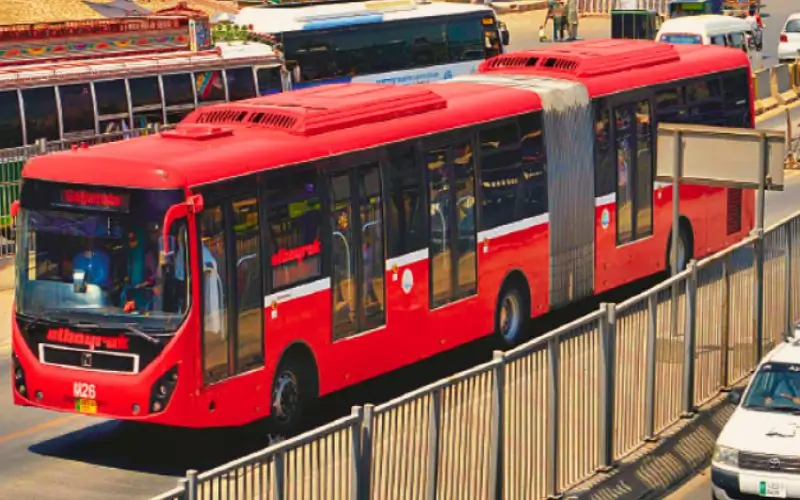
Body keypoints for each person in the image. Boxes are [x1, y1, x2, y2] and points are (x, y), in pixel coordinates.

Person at [121, 227, 157, 312]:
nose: (131, 243)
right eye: (129, 240)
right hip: (130, 294)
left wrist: (143, 284)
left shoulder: (148, 256)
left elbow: (155, 276)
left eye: (133, 239)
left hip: (144, 296)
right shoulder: (129, 254)